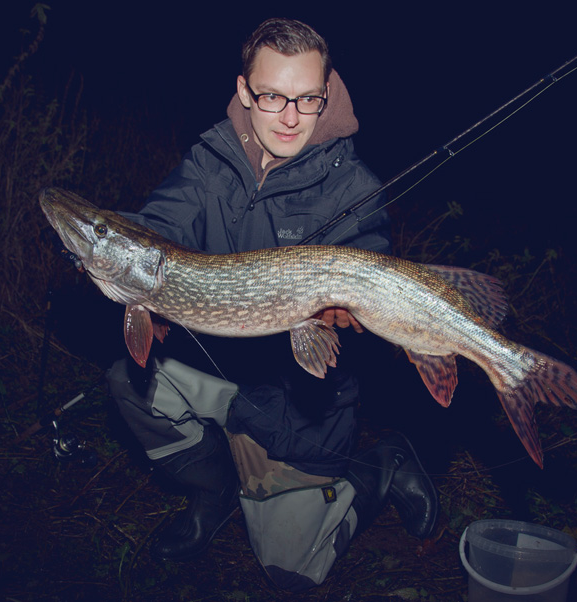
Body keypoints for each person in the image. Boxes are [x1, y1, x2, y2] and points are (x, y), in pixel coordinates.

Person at [106, 17, 437, 591]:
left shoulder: (352, 185)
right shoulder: (211, 161)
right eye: (272, 96)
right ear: (244, 91)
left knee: (288, 570)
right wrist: (101, 246)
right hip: (214, 364)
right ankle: (211, 493)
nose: (289, 116)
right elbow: (158, 224)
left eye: (307, 99)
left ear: (325, 94)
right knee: (129, 384)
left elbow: (373, 267)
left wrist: (347, 316)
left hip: (298, 401)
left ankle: (380, 468)